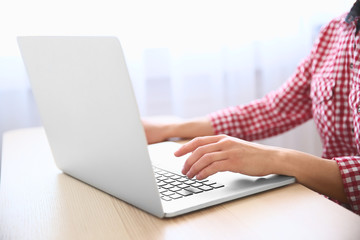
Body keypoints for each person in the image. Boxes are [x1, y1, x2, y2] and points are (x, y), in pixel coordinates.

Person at [143, 1, 360, 215]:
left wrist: (276, 159)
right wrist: (171, 129)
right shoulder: (334, 31)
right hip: (332, 209)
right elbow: (274, 109)